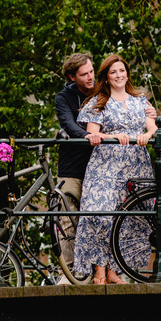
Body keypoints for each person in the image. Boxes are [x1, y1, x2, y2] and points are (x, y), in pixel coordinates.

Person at [73, 54, 157, 284]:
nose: (118, 75)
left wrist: (147, 135)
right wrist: (112, 136)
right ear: (107, 77)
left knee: (130, 218)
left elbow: (152, 125)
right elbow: (93, 133)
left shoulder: (140, 100)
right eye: (113, 72)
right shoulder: (97, 101)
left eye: (122, 71)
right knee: (102, 214)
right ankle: (99, 268)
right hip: (106, 166)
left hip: (135, 165)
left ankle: (115, 271)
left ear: (127, 73)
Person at [53, 53, 103, 281]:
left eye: (92, 71)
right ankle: (71, 273)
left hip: (100, 167)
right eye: (84, 74)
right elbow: (68, 124)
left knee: (99, 221)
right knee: (67, 221)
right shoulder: (63, 98)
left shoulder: (102, 92)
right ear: (72, 77)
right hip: (72, 169)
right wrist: (87, 135)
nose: (91, 77)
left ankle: (100, 273)